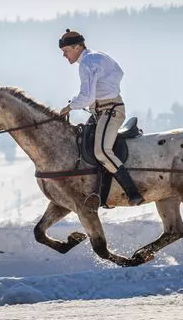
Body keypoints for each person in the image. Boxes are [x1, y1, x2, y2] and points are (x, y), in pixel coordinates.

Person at [58, 29, 144, 206]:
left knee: (102, 151)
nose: (64, 56)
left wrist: (69, 107)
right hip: (102, 110)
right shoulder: (98, 57)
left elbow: (87, 97)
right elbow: (119, 73)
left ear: (77, 47)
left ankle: (132, 192)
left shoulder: (86, 63)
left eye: (66, 51)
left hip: (109, 111)